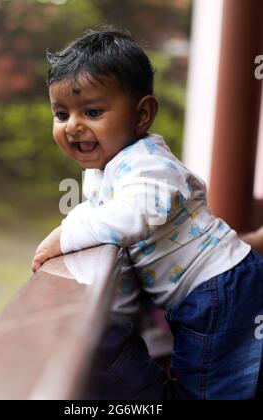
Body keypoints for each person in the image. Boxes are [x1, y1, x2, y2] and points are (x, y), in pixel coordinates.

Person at [31, 27, 263, 400]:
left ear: (142, 114)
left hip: (217, 287)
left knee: (209, 387)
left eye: (91, 111)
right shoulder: (105, 170)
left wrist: (67, 233)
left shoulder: (148, 164)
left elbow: (135, 216)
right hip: (205, 292)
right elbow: (105, 212)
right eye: (61, 114)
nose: (73, 125)